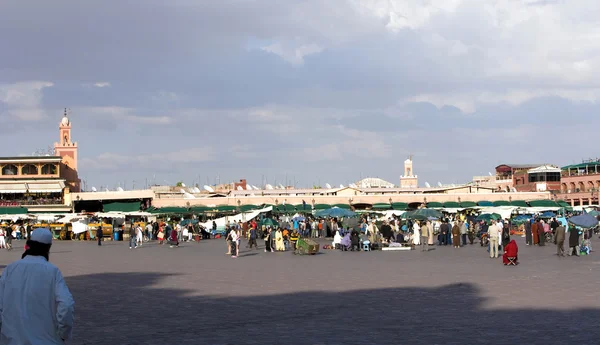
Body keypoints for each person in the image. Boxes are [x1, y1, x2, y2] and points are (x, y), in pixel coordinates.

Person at [0, 228, 75, 344]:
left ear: (29, 245)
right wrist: (63, 333)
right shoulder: (52, 271)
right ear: (48, 248)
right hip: (46, 340)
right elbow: (66, 304)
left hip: (11, 339)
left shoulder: (10, 269)